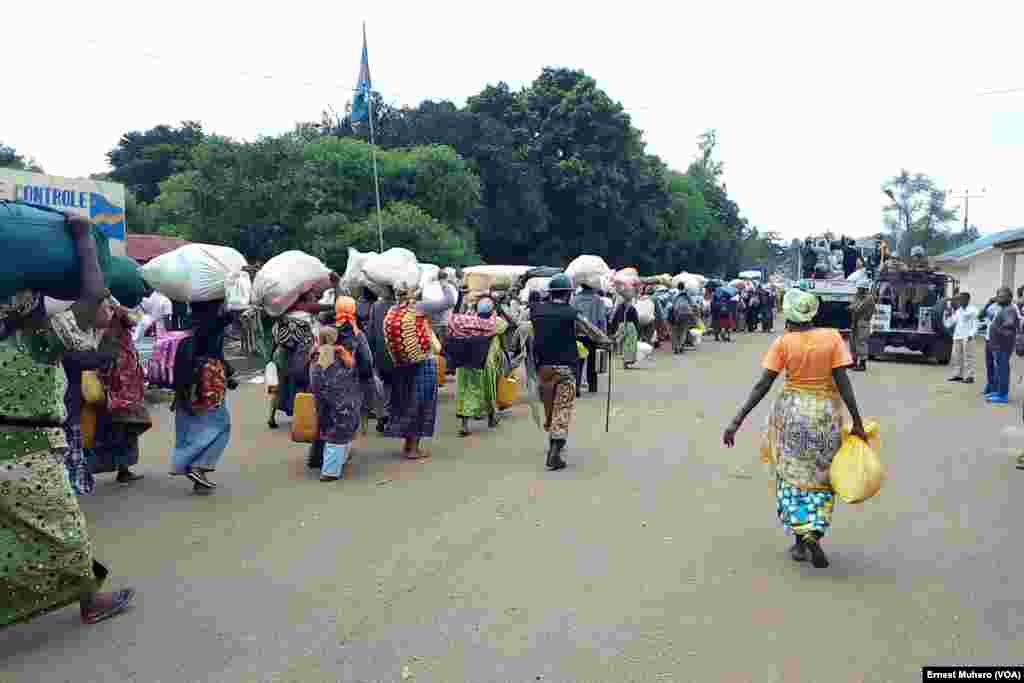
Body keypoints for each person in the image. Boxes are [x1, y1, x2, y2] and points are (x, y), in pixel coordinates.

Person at [0, 212, 135, 627]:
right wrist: (83, 237)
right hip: (29, 456)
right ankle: (90, 602)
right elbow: (93, 294)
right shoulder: (37, 342)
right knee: (65, 530)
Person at [723, 289, 867, 569]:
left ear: (789, 316)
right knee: (822, 476)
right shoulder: (832, 338)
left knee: (792, 475)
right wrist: (857, 422)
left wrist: (736, 421)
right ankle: (815, 531)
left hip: (792, 415)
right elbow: (844, 383)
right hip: (825, 416)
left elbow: (763, 385)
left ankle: (800, 540)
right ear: (812, 314)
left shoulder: (783, 343)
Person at [529, 274, 611, 470]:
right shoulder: (572, 314)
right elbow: (593, 332)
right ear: (567, 294)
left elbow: (520, 326)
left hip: (543, 369)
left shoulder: (535, 311)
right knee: (562, 408)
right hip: (566, 368)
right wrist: (607, 342)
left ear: (551, 294)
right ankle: (555, 450)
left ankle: (553, 439)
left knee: (550, 406)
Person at [169, 299, 238, 493]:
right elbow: (229, 317)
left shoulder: (190, 325)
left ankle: (197, 475)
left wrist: (229, 373)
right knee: (219, 425)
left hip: (188, 383)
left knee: (192, 427)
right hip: (208, 381)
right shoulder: (213, 323)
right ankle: (198, 467)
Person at [310, 299, 375, 482]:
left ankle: (327, 459)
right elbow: (367, 363)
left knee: (326, 421)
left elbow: (315, 359)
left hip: (321, 385)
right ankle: (330, 470)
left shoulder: (324, 331)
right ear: (353, 311)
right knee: (343, 424)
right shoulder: (356, 334)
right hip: (346, 387)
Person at [381, 285, 446, 459]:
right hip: (423, 364)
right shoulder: (417, 311)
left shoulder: (393, 312)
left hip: (403, 365)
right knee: (421, 405)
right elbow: (448, 301)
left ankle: (408, 444)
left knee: (407, 403)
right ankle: (413, 449)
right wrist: (444, 284)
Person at [89, 302, 148, 483]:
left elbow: (134, 319)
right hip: (111, 372)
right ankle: (100, 467)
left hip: (123, 374)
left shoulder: (115, 306)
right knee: (109, 422)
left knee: (124, 423)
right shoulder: (100, 305)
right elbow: (132, 319)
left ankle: (123, 467)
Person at [267, 290, 332, 430]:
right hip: (301, 357)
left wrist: (270, 357)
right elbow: (314, 340)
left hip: (281, 355)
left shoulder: (283, 314)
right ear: (306, 300)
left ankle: (271, 417)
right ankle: (301, 417)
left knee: (278, 386)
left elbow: (275, 337)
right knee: (304, 386)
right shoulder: (309, 317)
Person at [449, 298, 509, 436]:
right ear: (492, 311)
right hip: (484, 363)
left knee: (465, 391)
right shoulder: (496, 323)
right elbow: (506, 332)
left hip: (465, 362)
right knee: (488, 391)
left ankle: (464, 425)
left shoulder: (465, 322)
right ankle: (492, 417)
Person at [978, 286, 1018, 404]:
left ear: (1010, 298)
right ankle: (998, 391)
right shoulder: (1003, 309)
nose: (999, 299)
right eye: (998, 296)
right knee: (999, 369)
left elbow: (1009, 325)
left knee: (1002, 370)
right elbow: (982, 316)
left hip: (1002, 346)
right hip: (997, 345)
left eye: (1002, 297)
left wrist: (996, 328)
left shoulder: (1009, 310)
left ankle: (1002, 395)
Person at [573, 282, 606, 394]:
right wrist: (603, 335)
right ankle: (592, 387)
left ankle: (577, 386)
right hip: (593, 336)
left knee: (578, 362)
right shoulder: (598, 300)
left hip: (578, 335)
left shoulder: (575, 299)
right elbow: (602, 320)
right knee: (592, 362)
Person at [944, 292, 978, 384]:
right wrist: (947, 316)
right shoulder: (959, 311)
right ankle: (958, 375)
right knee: (956, 356)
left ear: (967, 299)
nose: (959, 301)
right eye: (958, 299)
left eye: (961, 299)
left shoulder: (973, 310)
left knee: (968, 357)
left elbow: (976, 323)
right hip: (957, 336)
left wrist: (972, 334)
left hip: (968, 336)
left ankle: (969, 376)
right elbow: (950, 323)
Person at [609, 288, 641, 369]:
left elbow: (615, 318)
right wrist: (638, 330)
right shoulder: (632, 308)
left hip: (621, 326)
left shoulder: (619, 307)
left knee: (623, 343)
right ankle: (627, 361)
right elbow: (636, 320)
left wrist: (614, 329)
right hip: (630, 327)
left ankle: (624, 360)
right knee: (630, 344)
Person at [848, 283, 876, 372]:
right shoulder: (857, 296)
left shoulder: (868, 298)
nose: (858, 290)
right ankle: (854, 362)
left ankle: (862, 364)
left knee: (861, 343)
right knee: (853, 342)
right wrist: (852, 307)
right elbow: (852, 306)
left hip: (863, 322)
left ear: (864, 289)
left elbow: (857, 308)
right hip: (855, 321)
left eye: (860, 288)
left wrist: (852, 307)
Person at [670, 284, 696, 354]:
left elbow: (671, 304)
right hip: (686, 314)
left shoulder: (674, 293)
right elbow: (693, 304)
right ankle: (681, 346)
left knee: (675, 331)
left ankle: (676, 347)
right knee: (683, 331)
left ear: (677, 287)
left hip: (676, 313)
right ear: (683, 287)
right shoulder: (687, 294)